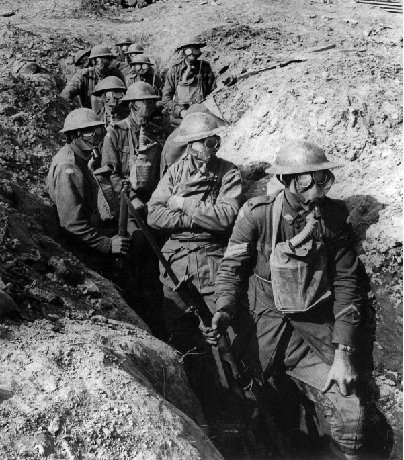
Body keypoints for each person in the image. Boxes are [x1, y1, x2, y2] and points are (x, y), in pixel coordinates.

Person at [211, 140, 368, 460]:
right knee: (240, 412)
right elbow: (231, 268)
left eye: (322, 178)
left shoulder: (334, 218)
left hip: (311, 333)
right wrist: (223, 310)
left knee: (351, 418)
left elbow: (347, 284)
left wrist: (344, 352)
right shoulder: (256, 214)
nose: (316, 190)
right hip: (259, 328)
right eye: (305, 181)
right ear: (284, 181)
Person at [146, 113, 242, 414]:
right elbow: (154, 214)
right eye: (206, 142)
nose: (213, 147)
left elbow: (226, 216)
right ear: (191, 145)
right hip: (175, 263)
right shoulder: (175, 172)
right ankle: (197, 403)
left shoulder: (229, 173)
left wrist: (185, 204)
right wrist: (197, 218)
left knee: (223, 339)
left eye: (215, 141)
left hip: (212, 262)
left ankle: (237, 406)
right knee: (182, 336)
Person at [102, 82, 166, 336]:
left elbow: (163, 170)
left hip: (152, 204)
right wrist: (130, 197)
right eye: (143, 103)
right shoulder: (116, 132)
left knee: (153, 257)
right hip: (126, 206)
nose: (147, 107)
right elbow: (109, 173)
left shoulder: (156, 132)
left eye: (151, 102)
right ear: (132, 105)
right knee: (133, 253)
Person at [46, 108, 129, 276]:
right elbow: (71, 223)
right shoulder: (69, 167)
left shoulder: (81, 158)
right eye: (91, 132)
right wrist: (106, 244)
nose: (97, 136)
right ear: (76, 134)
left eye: (99, 130)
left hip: (89, 235)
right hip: (81, 247)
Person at [161, 36, 216, 130]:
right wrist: (180, 112)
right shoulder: (175, 70)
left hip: (201, 116)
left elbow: (213, 92)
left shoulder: (205, 68)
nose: (192, 54)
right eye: (189, 50)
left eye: (196, 50)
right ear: (183, 51)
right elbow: (166, 99)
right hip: (180, 119)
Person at [159, 96, 226, 174]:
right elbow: (166, 99)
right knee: (172, 149)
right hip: (182, 118)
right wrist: (180, 112)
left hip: (202, 113)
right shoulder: (176, 171)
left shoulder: (227, 169)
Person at [61, 45, 126, 109]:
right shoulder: (83, 75)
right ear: (93, 61)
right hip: (91, 116)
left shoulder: (117, 74)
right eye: (98, 59)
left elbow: (125, 96)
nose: (101, 62)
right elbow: (66, 94)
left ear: (109, 60)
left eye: (104, 59)